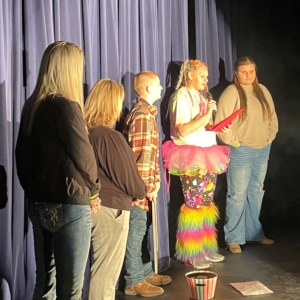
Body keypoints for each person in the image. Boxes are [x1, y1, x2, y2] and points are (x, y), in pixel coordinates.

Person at [15, 41, 100, 300]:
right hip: (69, 204)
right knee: (70, 289)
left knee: (45, 283)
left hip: (38, 204)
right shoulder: (66, 106)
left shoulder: (32, 105)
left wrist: (32, 193)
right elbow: (84, 156)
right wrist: (94, 192)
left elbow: (20, 156)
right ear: (70, 69)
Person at [162, 60, 230, 269]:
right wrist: (207, 115)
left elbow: (202, 125)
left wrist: (216, 127)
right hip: (191, 156)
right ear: (190, 75)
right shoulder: (181, 96)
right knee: (193, 204)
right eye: (202, 76)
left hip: (207, 153)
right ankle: (191, 253)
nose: (206, 80)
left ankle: (206, 248)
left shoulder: (201, 96)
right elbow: (182, 130)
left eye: (206, 77)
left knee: (206, 203)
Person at [84, 79, 146, 300]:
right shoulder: (109, 137)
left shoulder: (84, 133)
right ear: (112, 105)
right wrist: (141, 191)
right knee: (105, 273)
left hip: (90, 208)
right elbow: (130, 180)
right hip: (111, 211)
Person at [215, 56, 278, 254]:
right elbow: (221, 125)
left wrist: (269, 137)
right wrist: (236, 143)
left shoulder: (263, 91)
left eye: (251, 71)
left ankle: (254, 232)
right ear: (236, 73)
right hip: (241, 150)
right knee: (237, 194)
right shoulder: (231, 92)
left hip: (262, 149)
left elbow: (273, 118)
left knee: (256, 191)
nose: (248, 75)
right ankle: (234, 238)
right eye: (244, 72)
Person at [122, 71, 172, 297]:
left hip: (144, 185)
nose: (162, 88)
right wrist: (146, 187)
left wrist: (156, 181)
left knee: (141, 230)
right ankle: (133, 280)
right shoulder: (142, 115)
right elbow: (140, 156)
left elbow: (152, 155)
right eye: (159, 85)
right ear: (149, 88)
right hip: (138, 188)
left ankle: (142, 272)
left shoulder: (147, 114)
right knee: (136, 230)